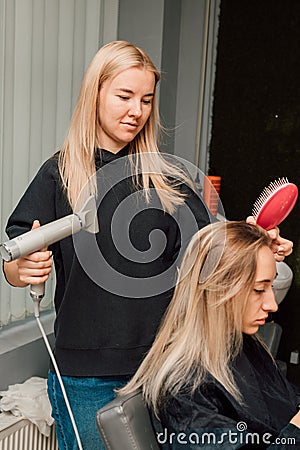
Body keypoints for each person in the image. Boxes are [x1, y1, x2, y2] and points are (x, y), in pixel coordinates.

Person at [2, 41, 293, 449]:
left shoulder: (169, 180)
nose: (136, 111)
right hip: (86, 379)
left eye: (146, 100)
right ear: (96, 93)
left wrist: (255, 245)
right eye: (124, 96)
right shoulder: (60, 174)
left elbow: (209, 252)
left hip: (164, 368)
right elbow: (15, 252)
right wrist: (20, 269)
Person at [120, 221, 300, 449]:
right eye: (258, 289)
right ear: (219, 289)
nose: (272, 305)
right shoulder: (186, 391)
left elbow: (285, 404)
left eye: (270, 286)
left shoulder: (242, 344)